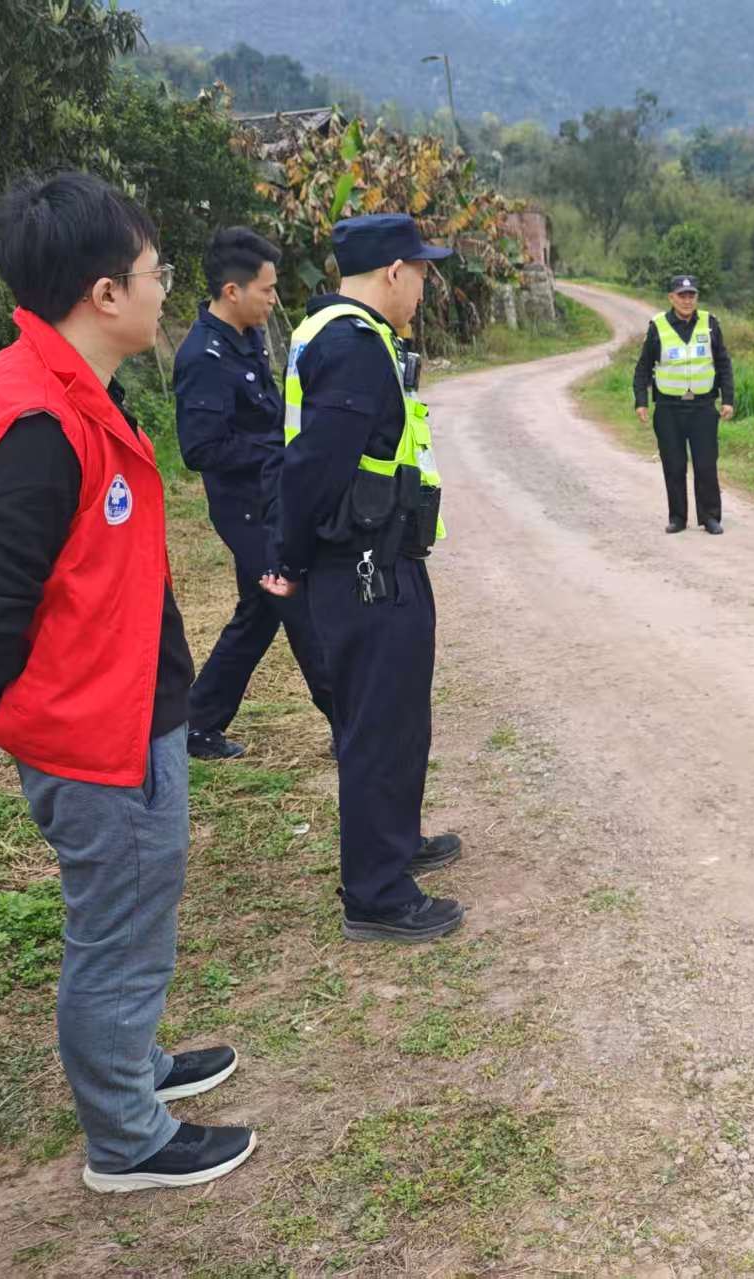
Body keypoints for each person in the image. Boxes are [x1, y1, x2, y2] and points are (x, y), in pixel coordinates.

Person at [0, 173, 254, 1192]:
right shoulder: (39, 424)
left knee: (134, 917)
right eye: (156, 275)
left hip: (123, 715)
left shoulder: (64, 386)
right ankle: (128, 1136)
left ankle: (135, 1064)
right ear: (104, 294)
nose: (166, 292)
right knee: (116, 930)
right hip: (99, 739)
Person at [267, 213, 467, 944]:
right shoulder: (352, 347)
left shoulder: (351, 336)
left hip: (382, 558)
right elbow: (314, 467)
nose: (423, 285)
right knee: (377, 724)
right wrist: (285, 560)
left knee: (399, 715)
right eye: (420, 271)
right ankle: (377, 894)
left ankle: (395, 841)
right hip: (362, 566)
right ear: (392, 271)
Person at [175, 228, 335, 760]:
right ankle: (350, 720)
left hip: (269, 498)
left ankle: (197, 723)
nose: (274, 299)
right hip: (246, 509)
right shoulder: (203, 357)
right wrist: (276, 453)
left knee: (258, 612)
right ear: (231, 291)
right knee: (297, 601)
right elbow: (201, 448)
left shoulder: (246, 339)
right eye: (266, 289)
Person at [632, 273, 735, 534]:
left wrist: (728, 399)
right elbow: (643, 367)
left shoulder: (709, 324)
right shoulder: (658, 326)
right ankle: (678, 518)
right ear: (671, 298)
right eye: (682, 295)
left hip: (702, 406)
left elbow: (723, 363)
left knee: (705, 464)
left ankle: (710, 517)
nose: (687, 301)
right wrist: (641, 402)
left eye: (691, 296)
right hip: (669, 408)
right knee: (674, 464)